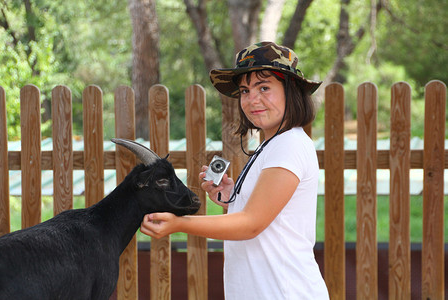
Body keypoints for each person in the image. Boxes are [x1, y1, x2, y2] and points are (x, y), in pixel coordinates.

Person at [140, 41, 329, 299]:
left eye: (264, 88)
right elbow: (266, 216)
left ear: (291, 90)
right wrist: (231, 199)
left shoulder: (290, 144)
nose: (252, 100)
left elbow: (251, 224)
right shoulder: (271, 145)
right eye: (244, 91)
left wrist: (179, 224)